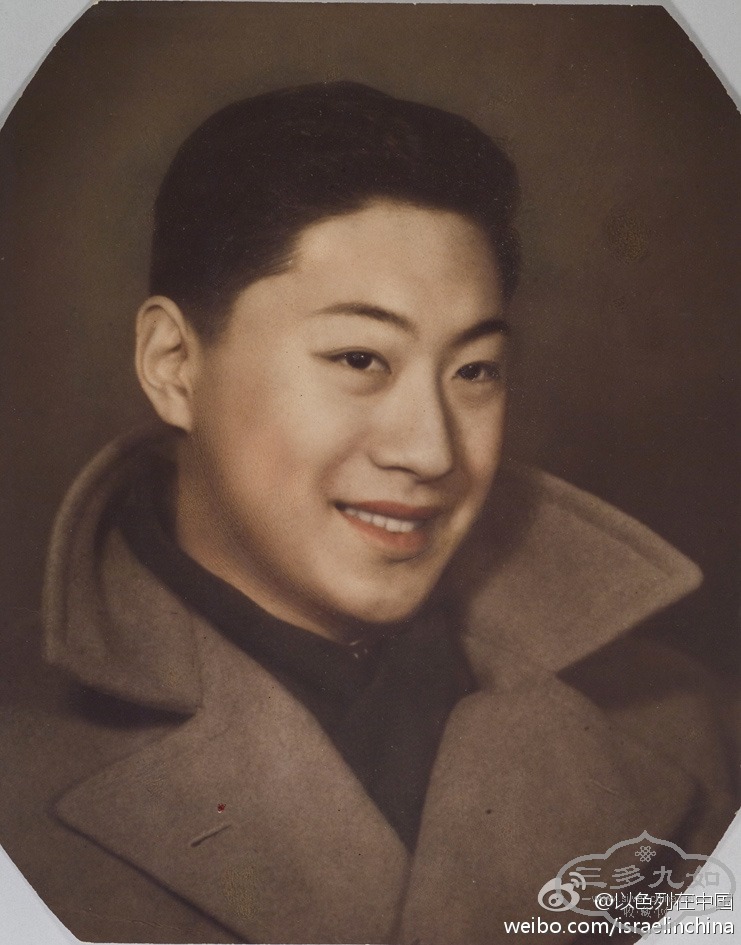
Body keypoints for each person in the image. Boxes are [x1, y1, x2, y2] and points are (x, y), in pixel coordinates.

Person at [0, 82, 735, 945]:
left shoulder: (681, 720)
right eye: (360, 358)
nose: (430, 450)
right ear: (172, 363)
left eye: (474, 370)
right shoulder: (21, 753)